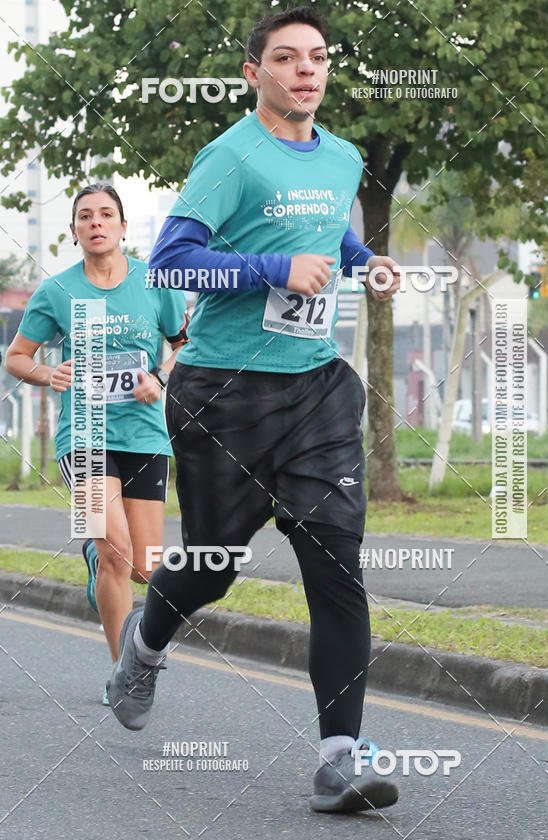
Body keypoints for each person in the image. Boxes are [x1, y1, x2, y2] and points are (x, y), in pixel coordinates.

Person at [107, 7, 401, 813]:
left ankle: (339, 760)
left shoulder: (341, 158)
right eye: (286, 58)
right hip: (224, 394)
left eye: (317, 58)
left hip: (315, 389)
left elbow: (326, 235)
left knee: (337, 563)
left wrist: (363, 261)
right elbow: (170, 263)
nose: (307, 70)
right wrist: (273, 268)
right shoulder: (230, 157)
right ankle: (145, 642)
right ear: (253, 73)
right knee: (212, 568)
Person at [5, 184, 188, 704]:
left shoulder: (156, 281)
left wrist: (160, 375)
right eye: (85, 216)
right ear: (74, 231)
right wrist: (47, 373)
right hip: (83, 435)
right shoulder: (58, 291)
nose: (96, 223)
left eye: (106, 214)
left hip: (146, 434)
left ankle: (96, 562)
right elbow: (16, 357)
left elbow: (183, 343)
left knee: (146, 566)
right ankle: (123, 675)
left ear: (124, 227)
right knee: (117, 551)